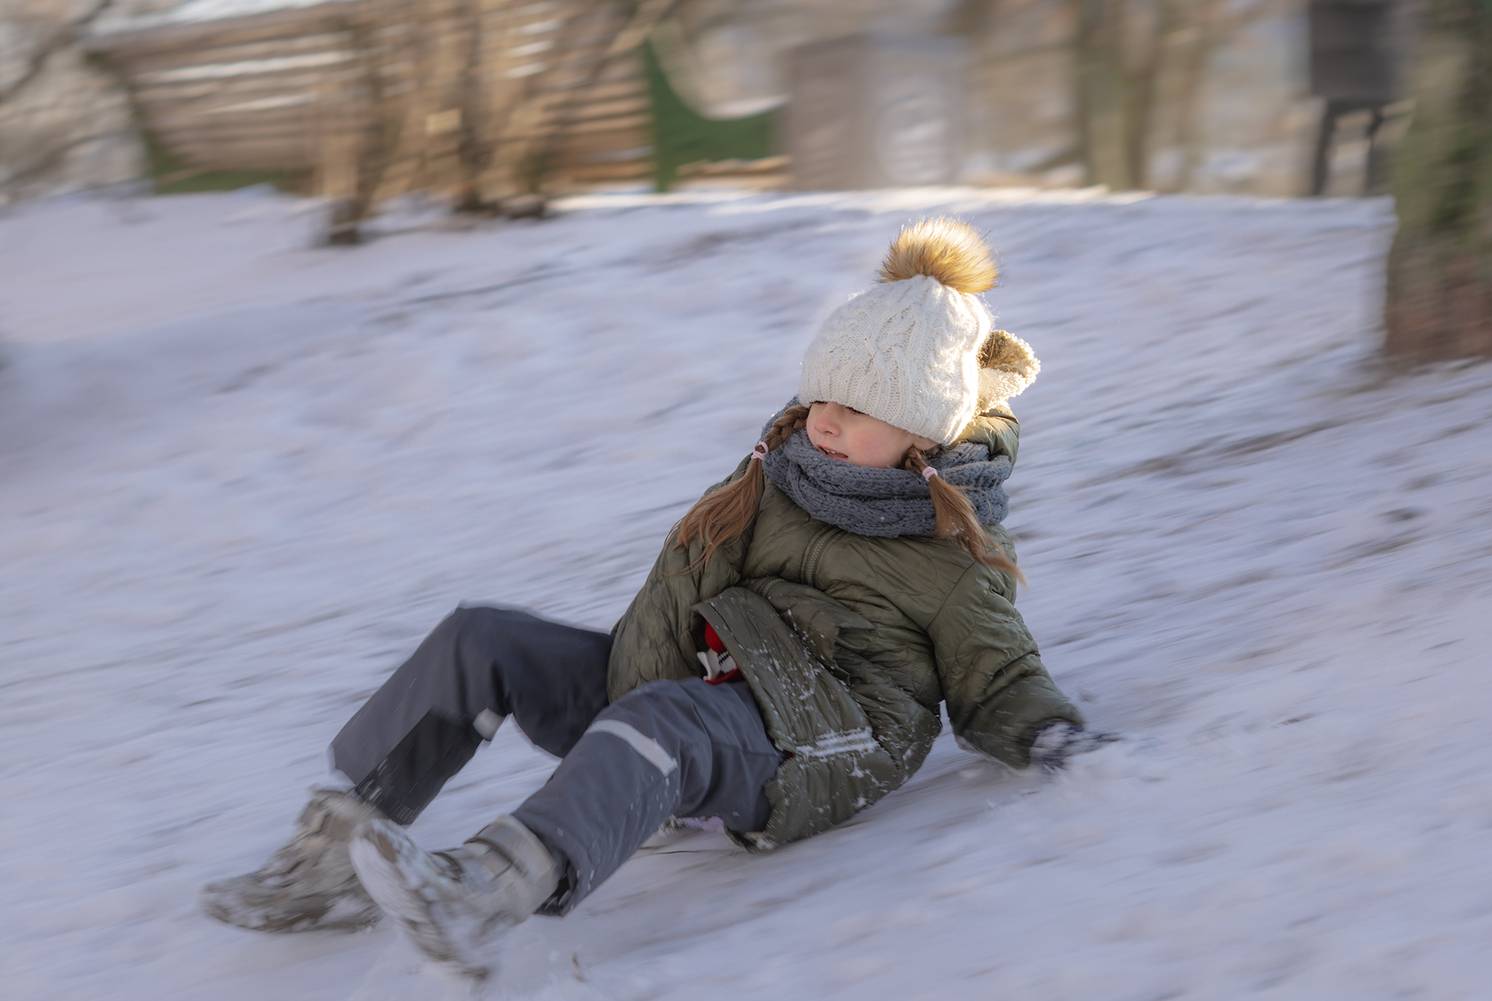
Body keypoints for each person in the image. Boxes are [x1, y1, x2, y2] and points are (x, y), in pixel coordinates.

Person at [201, 217, 1110, 978]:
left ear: (924, 431)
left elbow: (1000, 672)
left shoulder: (952, 551)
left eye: (858, 408)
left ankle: (489, 891)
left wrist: (1052, 733)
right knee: (481, 638)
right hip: (703, 682)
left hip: (824, 740)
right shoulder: (782, 470)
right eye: (819, 396)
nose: (823, 419)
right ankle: (335, 854)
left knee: (664, 724)